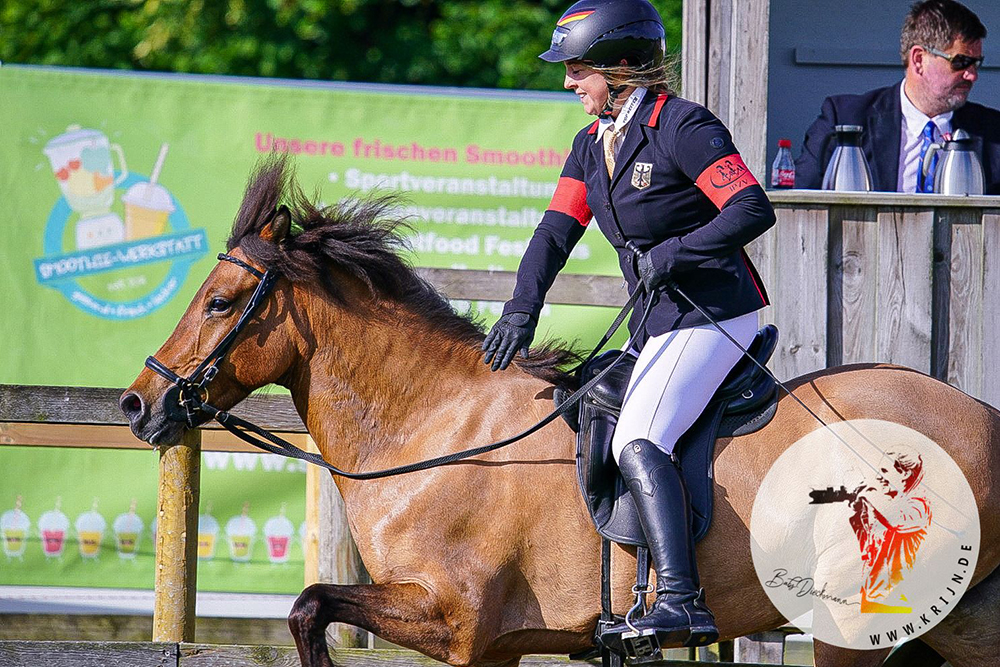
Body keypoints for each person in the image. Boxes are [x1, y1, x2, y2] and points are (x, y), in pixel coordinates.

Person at [481, 0, 776, 650]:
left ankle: (682, 601)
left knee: (639, 436)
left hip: (716, 313)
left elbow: (752, 207)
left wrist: (678, 251)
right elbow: (555, 232)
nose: (568, 84)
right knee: (590, 403)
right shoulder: (593, 147)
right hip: (659, 322)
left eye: (577, 70)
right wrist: (521, 308)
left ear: (618, 69)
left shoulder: (683, 127)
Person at [796, 0, 1000, 193]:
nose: (972, 75)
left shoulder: (993, 133)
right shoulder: (845, 119)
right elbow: (802, 202)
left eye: (976, 63)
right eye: (961, 62)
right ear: (919, 60)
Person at [848, 447, 932, 613]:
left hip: (897, 600)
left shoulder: (920, 504)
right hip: (876, 599)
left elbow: (897, 520)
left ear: (905, 474)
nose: (879, 476)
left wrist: (868, 495)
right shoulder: (888, 500)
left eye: (885, 471)